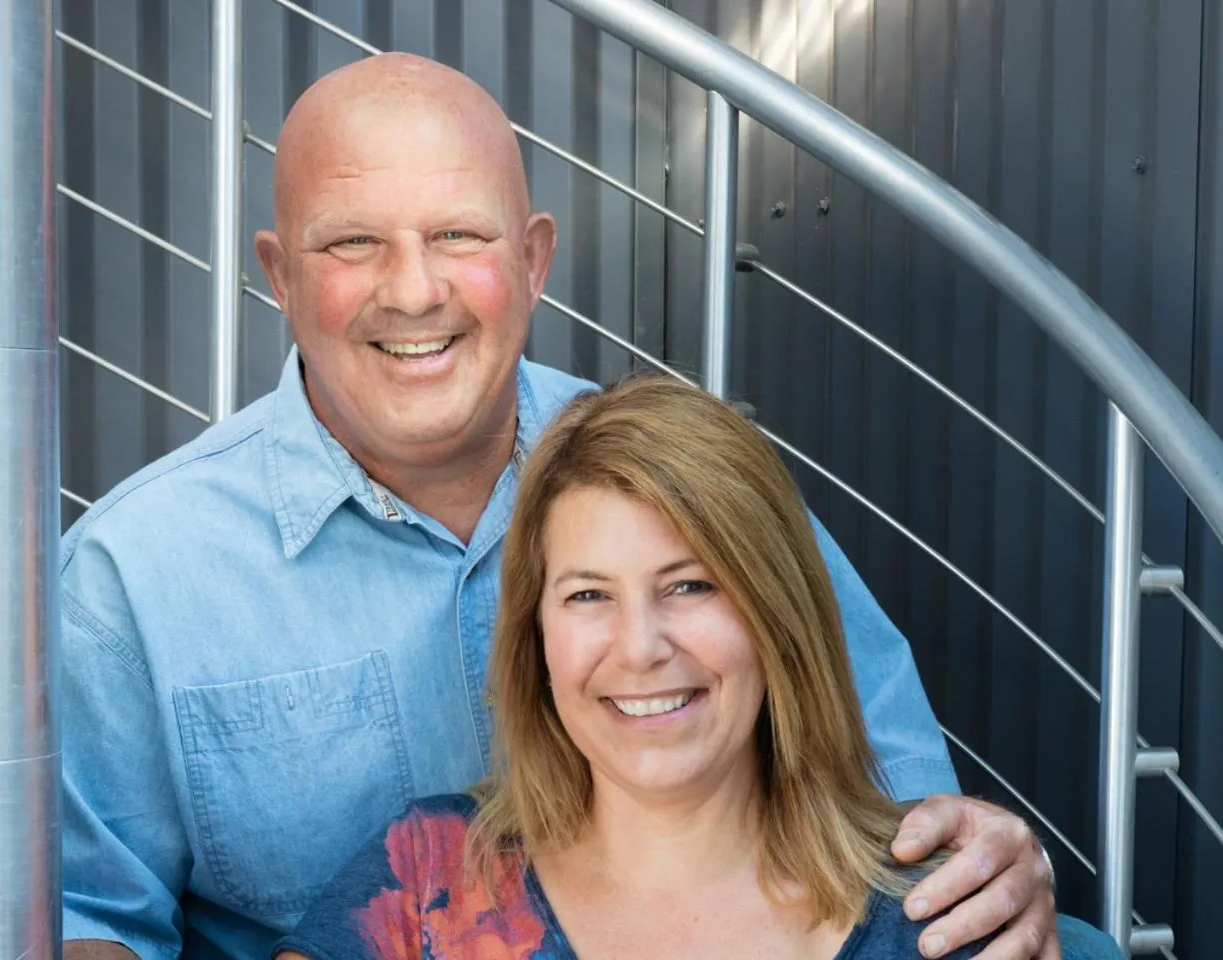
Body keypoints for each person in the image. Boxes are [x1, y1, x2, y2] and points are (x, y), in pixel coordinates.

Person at [61, 51, 1063, 960]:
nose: (414, 292)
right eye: (353, 243)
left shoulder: (690, 485)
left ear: (535, 261)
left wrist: (985, 863)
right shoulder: (131, 578)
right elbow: (82, 925)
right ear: (278, 275)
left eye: (458, 235)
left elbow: (901, 813)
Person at [271, 376, 1120, 960]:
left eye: (689, 585)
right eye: (588, 596)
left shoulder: (948, 914)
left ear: (775, 615)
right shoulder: (426, 877)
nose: (639, 648)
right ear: (537, 639)